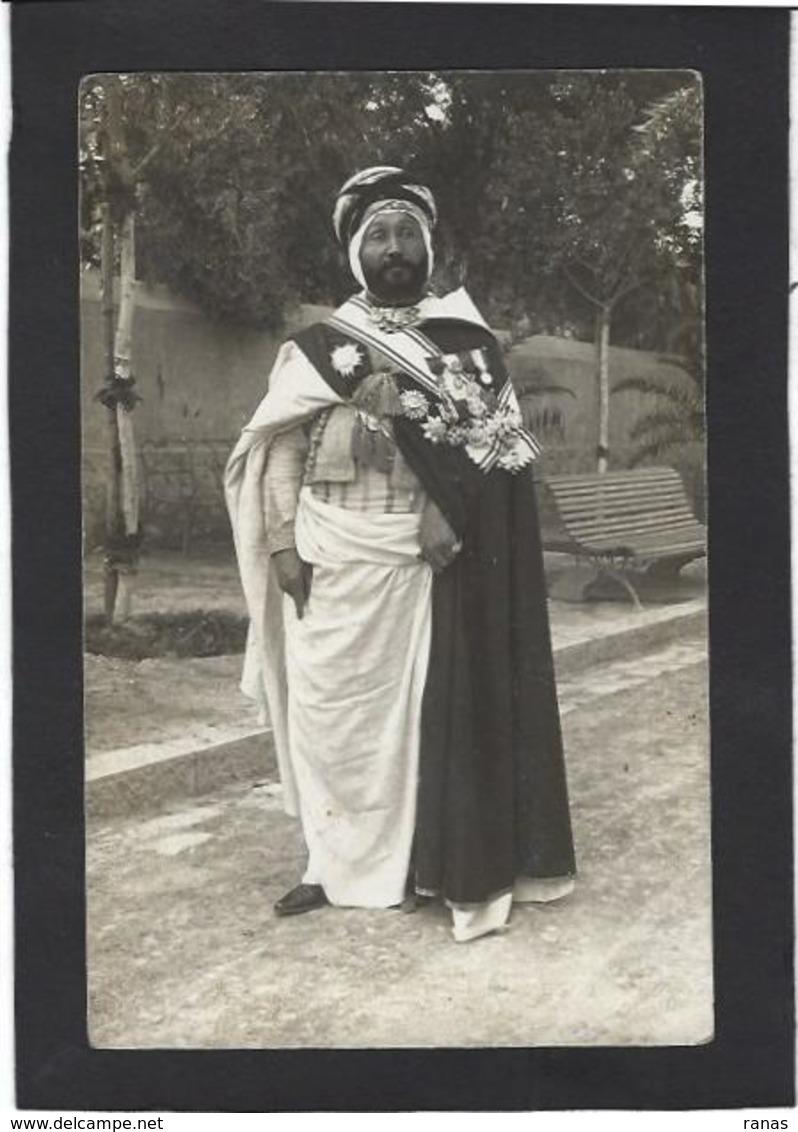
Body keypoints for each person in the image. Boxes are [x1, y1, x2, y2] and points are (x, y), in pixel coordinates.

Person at [225, 166, 576, 942]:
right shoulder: (317, 349)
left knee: (407, 721)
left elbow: (489, 458)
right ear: (357, 254)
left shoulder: (466, 345)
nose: (394, 248)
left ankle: (410, 864)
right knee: (329, 720)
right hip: (326, 549)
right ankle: (328, 863)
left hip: (415, 563)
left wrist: (438, 514)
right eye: (378, 236)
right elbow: (277, 452)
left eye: (406, 234)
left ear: (427, 245)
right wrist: (282, 543)